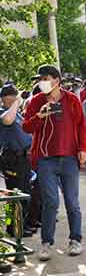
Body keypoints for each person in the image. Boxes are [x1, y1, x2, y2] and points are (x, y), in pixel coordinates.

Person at [23, 65, 86, 261]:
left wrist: (83, 149)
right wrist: (40, 115)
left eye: (45, 78)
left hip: (69, 158)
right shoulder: (36, 101)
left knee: (72, 202)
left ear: (57, 80)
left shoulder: (71, 100)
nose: (41, 82)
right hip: (45, 160)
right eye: (39, 79)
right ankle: (46, 243)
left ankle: (75, 240)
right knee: (50, 202)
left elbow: (81, 126)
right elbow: (26, 127)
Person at [0, 84, 35, 237]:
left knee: (24, 193)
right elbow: (7, 120)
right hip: (11, 158)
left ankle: (20, 224)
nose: (15, 99)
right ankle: (11, 227)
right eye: (11, 97)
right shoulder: (4, 112)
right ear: (4, 98)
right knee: (13, 195)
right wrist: (15, 104)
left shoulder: (15, 112)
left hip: (23, 157)